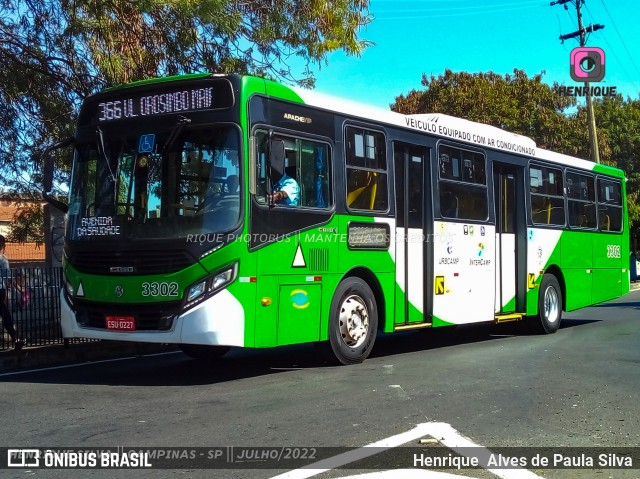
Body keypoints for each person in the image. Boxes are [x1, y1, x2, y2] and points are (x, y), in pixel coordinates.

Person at [0, 235, 22, 350]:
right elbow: (8, 277)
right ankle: (15, 338)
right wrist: (20, 289)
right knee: (5, 314)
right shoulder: (2, 258)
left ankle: (15, 338)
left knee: (5, 313)